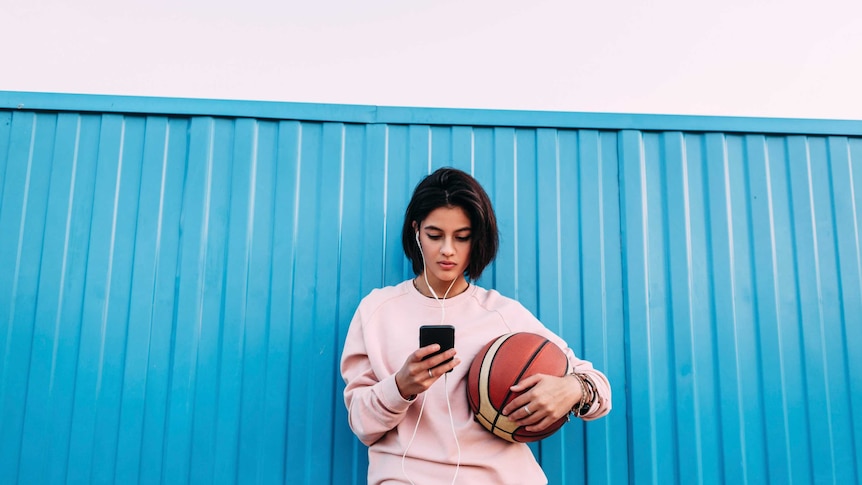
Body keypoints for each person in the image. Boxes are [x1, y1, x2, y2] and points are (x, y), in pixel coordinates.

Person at [340, 167, 611, 485]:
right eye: (435, 235)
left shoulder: (502, 314)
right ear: (416, 231)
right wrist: (400, 387)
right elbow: (362, 423)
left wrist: (571, 388)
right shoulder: (376, 311)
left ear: (477, 239)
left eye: (462, 237)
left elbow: (600, 391)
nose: (448, 250)